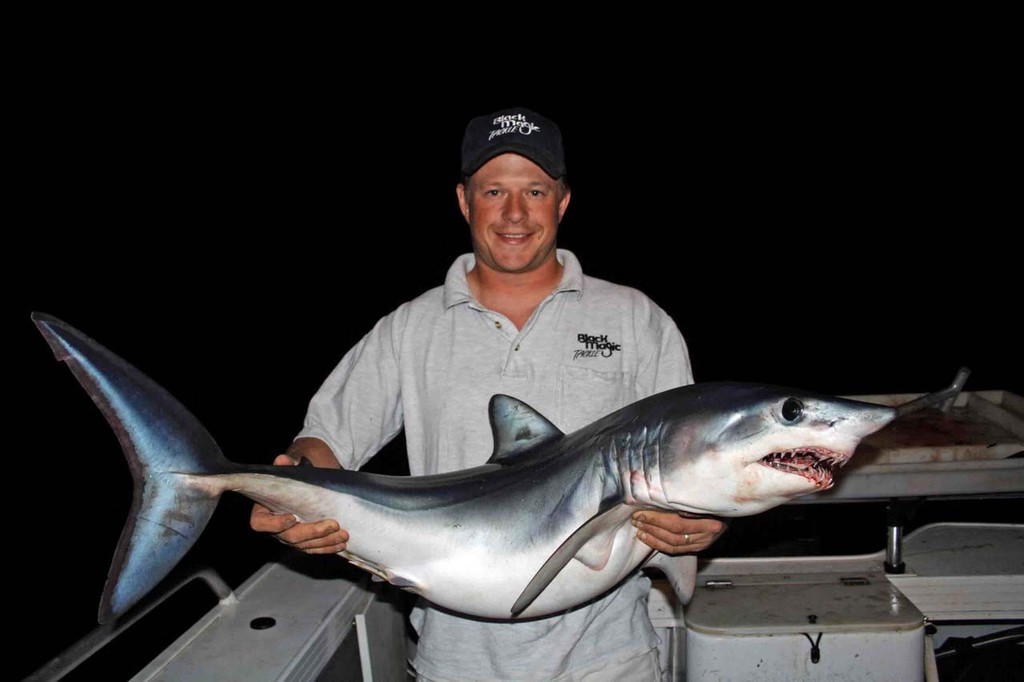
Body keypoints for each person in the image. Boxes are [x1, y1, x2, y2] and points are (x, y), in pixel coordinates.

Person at [250, 106, 727, 680]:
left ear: (563, 200)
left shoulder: (636, 320)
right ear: (463, 200)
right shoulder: (411, 328)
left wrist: (705, 519)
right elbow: (324, 443)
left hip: (609, 659)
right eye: (494, 190)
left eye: (535, 190)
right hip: (455, 661)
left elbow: (693, 458)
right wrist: (291, 489)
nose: (515, 214)